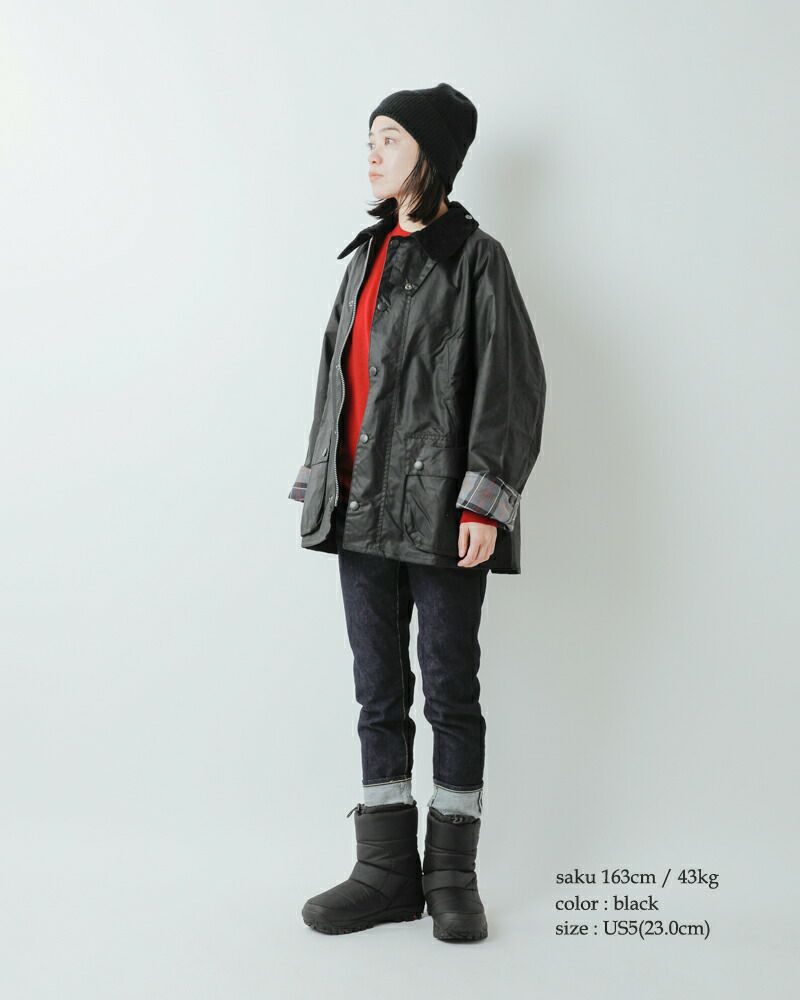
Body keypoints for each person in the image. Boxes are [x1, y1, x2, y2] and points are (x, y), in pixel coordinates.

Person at [288, 83, 546, 941]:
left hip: (441, 514)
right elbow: (337, 381)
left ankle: (451, 876)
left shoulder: (476, 259)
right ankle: (386, 872)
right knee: (376, 693)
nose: (373, 152)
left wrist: (485, 501)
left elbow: (511, 385)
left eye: (390, 138)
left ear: (430, 155)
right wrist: (323, 485)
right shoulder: (364, 257)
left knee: (450, 691)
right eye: (370, 137)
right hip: (360, 510)